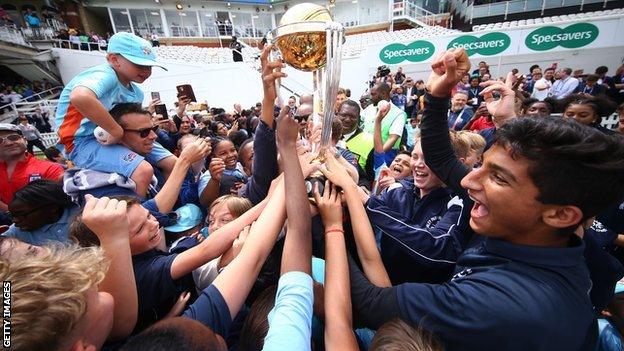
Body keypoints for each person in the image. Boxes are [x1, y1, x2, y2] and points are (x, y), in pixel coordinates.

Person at [344, 48, 624, 350]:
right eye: (482, 167)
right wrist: (438, 95)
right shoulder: (543, 226)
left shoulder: (510, 303)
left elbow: (371, 304)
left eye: (498, 177)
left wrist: (328, 221)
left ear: (562, 215)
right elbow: (442, 158)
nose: (467, 180)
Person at [54, 32, 172, 198]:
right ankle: (141, 217)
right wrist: (116, 131)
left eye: (149, 67)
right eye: (139, 64)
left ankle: (166, 204)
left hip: (114, 136)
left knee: (172, 163)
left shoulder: (136, 93)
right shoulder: (105, 75)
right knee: (143, 170)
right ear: (114, 59)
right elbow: (80, 96)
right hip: (80, 142)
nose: (146, 71)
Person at [0, 123, 63, 216]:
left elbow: (55, 203)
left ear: (25, 140)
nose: (9, 143)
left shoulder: (50, 168)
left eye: (13, 137)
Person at [3, 180, 79, 245]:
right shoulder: (17, 231)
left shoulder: (80, 215)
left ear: (52, 208)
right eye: (12, 215)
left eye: (21, 214)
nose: (15, 220)